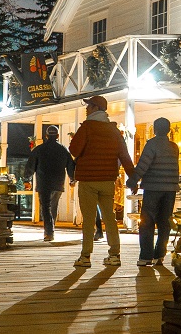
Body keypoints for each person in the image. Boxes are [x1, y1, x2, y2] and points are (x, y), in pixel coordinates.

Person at [69, 95, 135, 267]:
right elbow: (124, 156)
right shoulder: (114, 131)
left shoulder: (87, 127)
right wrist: (133, 178)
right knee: (110, 218)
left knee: (89, 220)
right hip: (107, 180)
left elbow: (74, 150)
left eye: (89, 106)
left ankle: (85, 257)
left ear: (96, 108)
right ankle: (114, 255)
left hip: (88, 180)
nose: (86, 108)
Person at [127, 117, 180, 267]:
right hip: (170, 189)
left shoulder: (152, 144)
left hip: (153, 188)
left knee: (147, 222)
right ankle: (160, 255)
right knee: (165, 222)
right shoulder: (174, 147)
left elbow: (143, 165)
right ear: (168, 130)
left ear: (155, 130)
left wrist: (133, 180)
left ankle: (146, 256)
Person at [23, 125, 75, 242]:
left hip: (43, 183)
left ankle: (49, 232)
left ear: (46, 136)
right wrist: (72, 179)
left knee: (45, 207)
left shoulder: (39, 149)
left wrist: (27, 180)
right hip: (58, 183)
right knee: (54, 206)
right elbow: (70, 165)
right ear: (57, 136)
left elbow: (30, 166)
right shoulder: (63, 149)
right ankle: (51, 229)